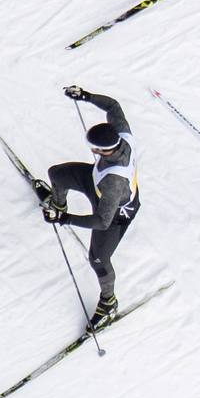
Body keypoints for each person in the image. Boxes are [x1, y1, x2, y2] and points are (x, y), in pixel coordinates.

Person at [37, 87, 140, 329]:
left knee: (98, 258)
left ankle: (108, 302)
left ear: (103, 150)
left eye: (93, 148)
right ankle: (56, 201)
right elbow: (114, 106)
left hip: (115, 214)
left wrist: (64, 218)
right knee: (58, 174)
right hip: (98, 186)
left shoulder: (114, 181)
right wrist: (86, 96)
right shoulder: (123, 136)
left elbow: (102, 221)